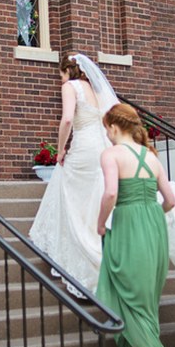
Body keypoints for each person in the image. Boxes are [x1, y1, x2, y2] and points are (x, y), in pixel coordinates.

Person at [96, 103, 175, 347]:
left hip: (128, 223)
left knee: (129, 288)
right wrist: (151, 214)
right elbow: (169, 200)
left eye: (106, 128)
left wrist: (100, 223)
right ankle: (136, 346)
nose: (106, 134)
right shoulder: (151, 157)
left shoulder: (111, 154)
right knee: (146, 291)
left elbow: (111, 193)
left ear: (114, 127)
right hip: (154, 225)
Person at [29, 52, 117, 298]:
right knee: (91, 197)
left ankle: (83, 253)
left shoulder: (70, 87)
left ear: (66, 71)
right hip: (101, 147)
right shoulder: (97, 91)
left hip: (83, 147)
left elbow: (67, 119)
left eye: (60, 74)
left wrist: (60, 149)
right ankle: (100, 245)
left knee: (72, 194)